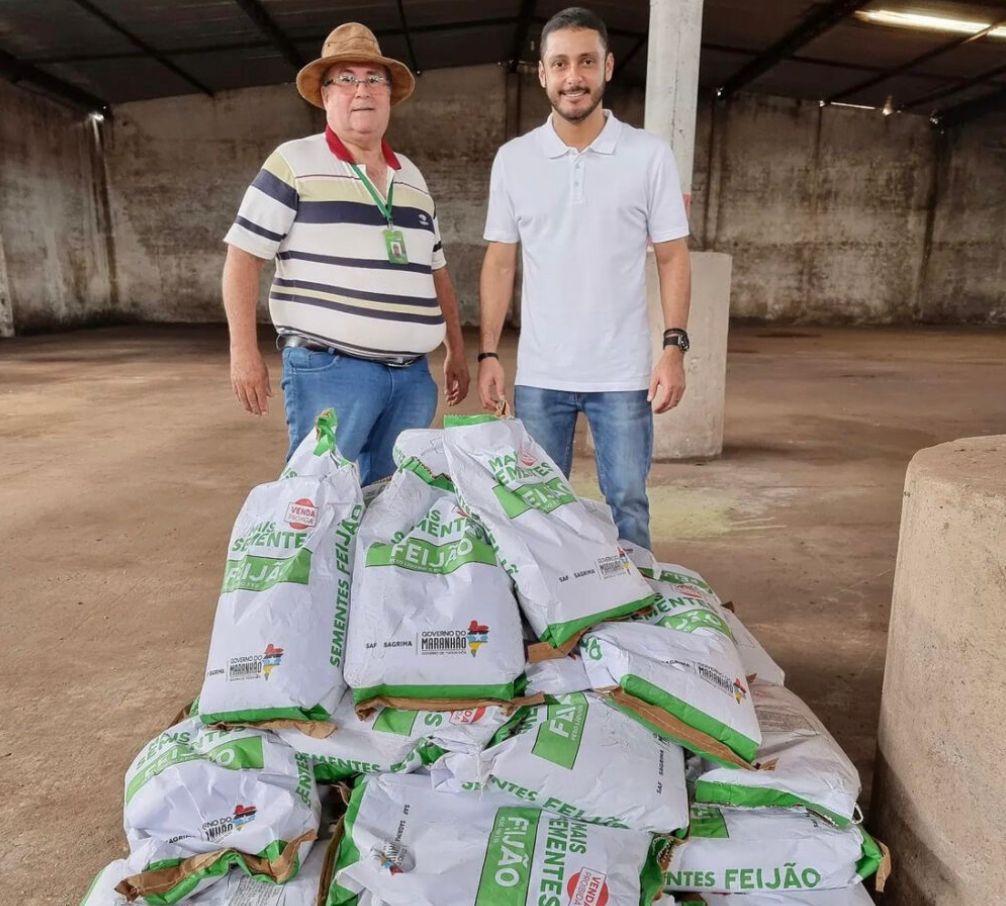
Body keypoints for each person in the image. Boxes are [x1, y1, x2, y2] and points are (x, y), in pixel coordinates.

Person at [477, 6, 691, 550]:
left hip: (622, 376)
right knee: (539, 511)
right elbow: (500, 262)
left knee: (627, 502)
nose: (575, 76)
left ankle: (636, 626)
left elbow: (672, 256)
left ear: (608, 68)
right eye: (561, 63)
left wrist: (673, 349)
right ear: (543, 73)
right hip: (541, 374)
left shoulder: (648, 156)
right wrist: (488, 354)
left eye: (587, 62)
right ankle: (550, 623)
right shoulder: (515, 160)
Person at [222, 22, 469, 484]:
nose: (363, 91)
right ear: (325, 94)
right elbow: (243, 257)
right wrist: (243, 352)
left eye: (375, 80)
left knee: (394, 501)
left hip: (412, 377)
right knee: (316, 497)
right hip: (331, 370)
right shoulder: (293, 162)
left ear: (390, 96)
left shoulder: (412, 176)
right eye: (347, 79)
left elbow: (436, 271)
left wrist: (456, 348)